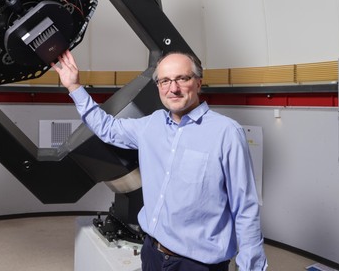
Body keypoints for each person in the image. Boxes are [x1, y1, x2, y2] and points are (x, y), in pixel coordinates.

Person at [52, 50, 268, 271]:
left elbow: (245, 207)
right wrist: (74, 87)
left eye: (182, 78)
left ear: (198, 83)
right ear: (158, 86)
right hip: (152, 254)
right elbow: (107, 128)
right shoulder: (150, 125)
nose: (173, 88)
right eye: (165, 81)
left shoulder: (227, 133)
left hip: (197, 265)